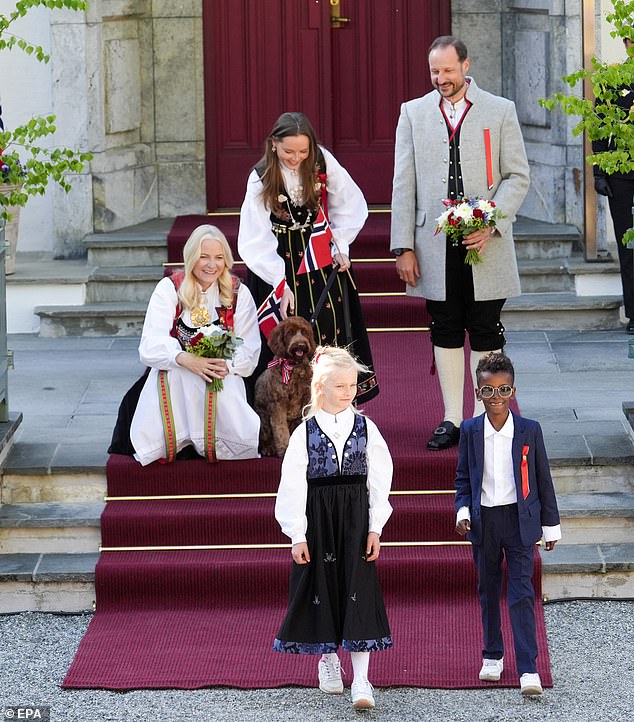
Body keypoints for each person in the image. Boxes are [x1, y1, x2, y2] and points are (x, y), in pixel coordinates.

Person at [390, 36, 530, 450]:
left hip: (485, 241)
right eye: (435, 71)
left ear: (465, 66)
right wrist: (403, 246)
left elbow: (517, 176)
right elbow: (403, 183)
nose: (441, 79)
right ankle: (452, 419)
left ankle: (481, 418)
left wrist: (492, 224)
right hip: (433, 243)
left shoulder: (500, 110)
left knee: (485, 327)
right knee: (445, 326)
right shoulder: (413, 113)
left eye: (449, 71)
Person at [273, 346, 393, 710]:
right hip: (319, 522)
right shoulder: (304, 433)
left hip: (355, 522)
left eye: (353, 385)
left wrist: (375, 527)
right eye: (340, 385)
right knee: (320, 588)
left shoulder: (366, 427)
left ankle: (361, 679)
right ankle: (327, 659)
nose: (349, 392)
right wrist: (297, 533)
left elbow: (380, 478)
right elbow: (292, 484)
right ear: (320, 386)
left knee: (358, 590)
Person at [238, 111, 379, 403]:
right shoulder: (261, 175)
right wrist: (280, 282)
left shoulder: (322, 161)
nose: (296, 158)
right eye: (289, 151)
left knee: (328, 331)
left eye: (303, 151)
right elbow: (255, 237)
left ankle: (332, 403)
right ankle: (281, 408)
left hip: (319, 261)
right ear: (274, 144)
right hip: (279, 262)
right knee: (284, 334)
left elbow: (351, 204)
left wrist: (340, 245)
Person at [454, 352, 561, 696]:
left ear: (513, 391)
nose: (496, 399)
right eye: (488, 392)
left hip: (520, 521)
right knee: (487, 591)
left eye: (503, 391)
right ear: (477, 392)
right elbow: (463, 480)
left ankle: (528, 666)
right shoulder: (470, 430)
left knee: (521, 592)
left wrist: (550, 526)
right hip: (484, 522)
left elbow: (543, 479)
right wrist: (463, 511)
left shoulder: (530, 430)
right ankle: (492, 654)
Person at [125, 224, 261, 464]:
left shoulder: (239, 293)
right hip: (178, 366)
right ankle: (179, 440)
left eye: (219, 258)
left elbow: (249, 347)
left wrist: (224, 365)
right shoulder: (170, 288)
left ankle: (221, 443)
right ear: (191, 257)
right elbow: (150, 343)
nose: (212, 265)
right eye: (204, 257)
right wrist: (185, 359)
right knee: (178, 376)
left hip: (222, 367)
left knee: (220, 383)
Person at [592, 37, 634, 335]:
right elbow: (597, 126)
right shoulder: (610, 79)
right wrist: (599, 173)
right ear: (627, 43)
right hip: (620, 177)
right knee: (628, 245)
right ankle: (633, 313)